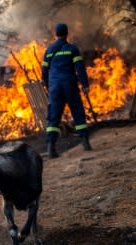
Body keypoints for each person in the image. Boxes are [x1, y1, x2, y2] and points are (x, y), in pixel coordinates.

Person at [41, 22, 92, 158]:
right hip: (69, 85)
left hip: (55, 87)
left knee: (54, 117)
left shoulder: (49, 50)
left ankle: (51, 148)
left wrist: (48, 86)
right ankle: (85, 143)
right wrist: (85, 84)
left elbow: (44, 71)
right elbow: (80, 68)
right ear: (67, 34)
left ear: (55, 34)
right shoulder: (72, 49)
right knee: (77, 112)